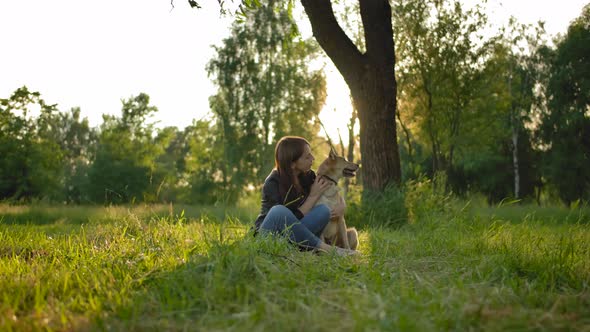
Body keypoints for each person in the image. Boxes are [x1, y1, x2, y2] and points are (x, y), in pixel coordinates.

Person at [253, 136, 357, 256]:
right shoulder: (272, 183)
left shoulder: (308, 176)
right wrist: (312, 197)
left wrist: (342, 205)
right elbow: (285, 222)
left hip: (294, 236)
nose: (312, 158)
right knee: (278, 211)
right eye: (307, 157)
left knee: (323, 210)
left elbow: (332, 188)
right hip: (271, 235)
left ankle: (300, 248)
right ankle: (330, 250)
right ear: (292, 164)